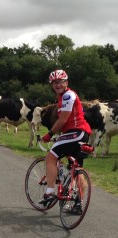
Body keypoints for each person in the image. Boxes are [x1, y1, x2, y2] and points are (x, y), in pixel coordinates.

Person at [38, 69, 92, 209]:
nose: (57, 85)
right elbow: (65, 124)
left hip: (76, 133)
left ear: (66, 83)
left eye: (60, 82)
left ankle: (49, 193)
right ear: (52, 85)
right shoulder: (63, 98)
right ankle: (78, 204)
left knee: (51, 157)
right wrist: (59, 136)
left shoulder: (68, 95)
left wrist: (49, 135)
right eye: (54, 82)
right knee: (76, 167)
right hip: (78, 134)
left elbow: (63, 120)